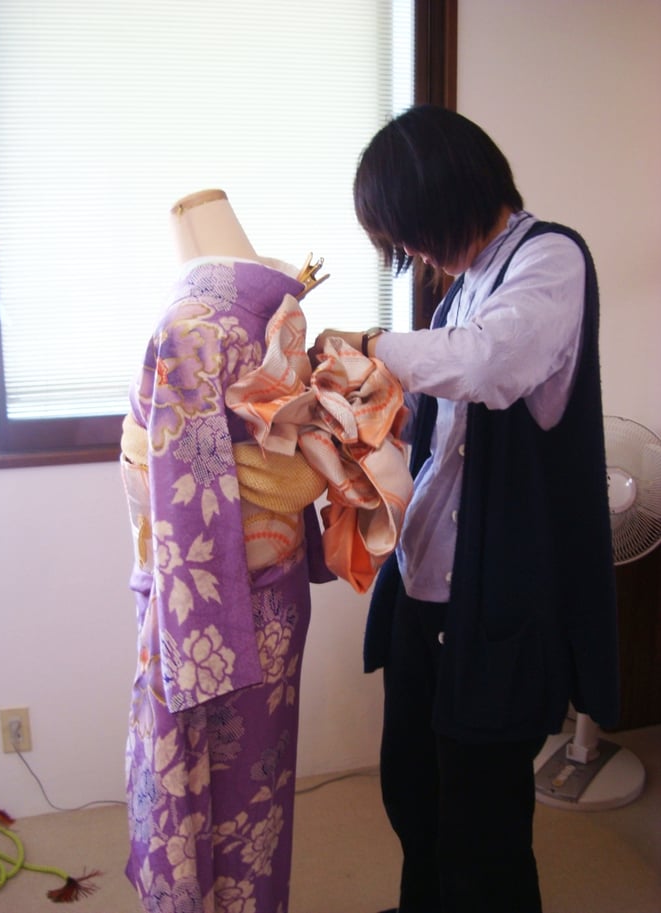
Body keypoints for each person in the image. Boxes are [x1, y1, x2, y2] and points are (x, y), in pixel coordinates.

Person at [310, 105, 619, 913]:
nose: (413, 252)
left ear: (452, 193)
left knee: (482, 822)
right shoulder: (460, 293)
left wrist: (372, 345)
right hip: (425, 586)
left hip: (493, 600)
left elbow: (489, 366)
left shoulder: (549, 258)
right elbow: (442, 420)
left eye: (412, 232)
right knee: (413, 789)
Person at [120, 188, 333, 913]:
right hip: (270, 594)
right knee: (257, 796)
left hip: (213, 614)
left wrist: (193, 654)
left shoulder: (195, 325)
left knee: (221, 797)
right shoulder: (266, 307)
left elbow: (185, 494)